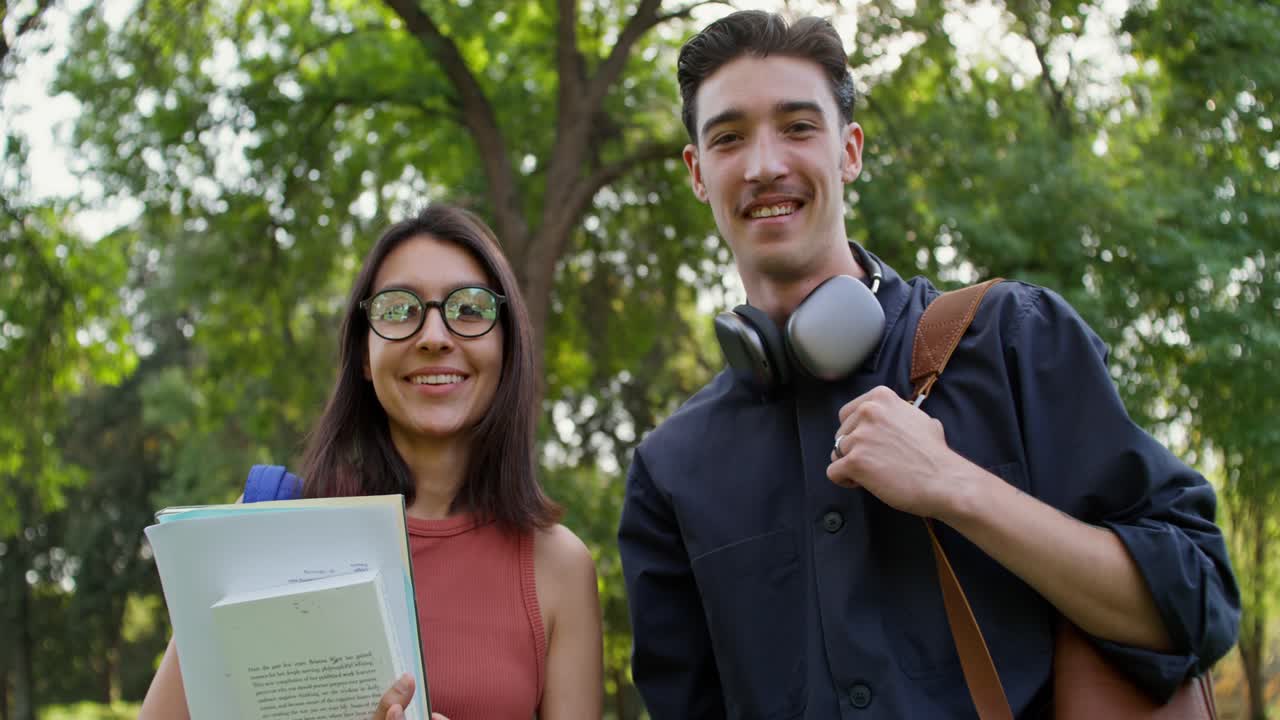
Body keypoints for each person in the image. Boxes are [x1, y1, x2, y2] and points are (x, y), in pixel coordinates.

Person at [617, 10, 1238, 719]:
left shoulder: (1011, 340)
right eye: (730, 138)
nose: (764, 165)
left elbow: (1198, 606)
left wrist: (956, 488)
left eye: (798, 127)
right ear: (700, 173)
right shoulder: (670, 471)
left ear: (849, 152)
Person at [140, 205, 604, 720]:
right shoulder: (263, 525)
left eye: (469, 309)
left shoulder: (560, 567)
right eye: (399, 309)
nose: (434, 336)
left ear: (506, 346)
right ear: (363, 353)